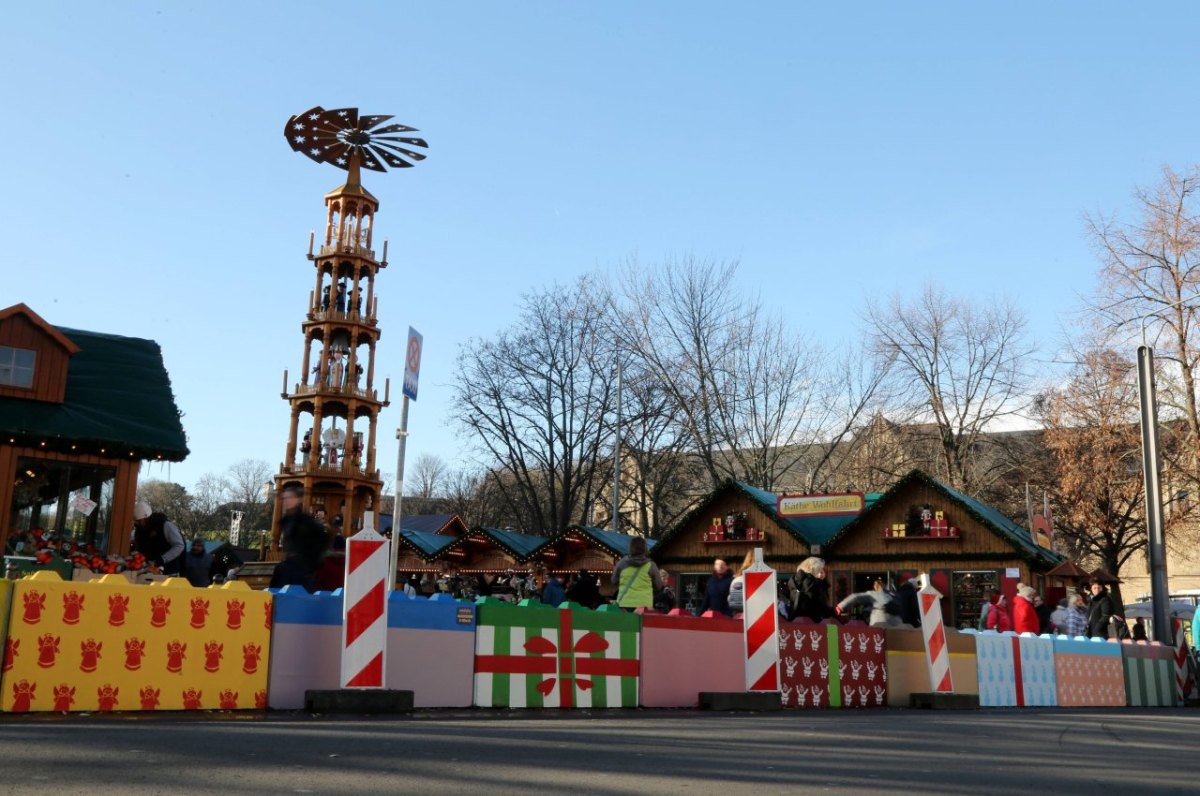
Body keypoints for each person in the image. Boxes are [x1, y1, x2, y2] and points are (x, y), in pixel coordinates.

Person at [270, 487, 329, 591]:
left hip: (302, 568)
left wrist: (311, 564)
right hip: (289, 565)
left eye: (290, 498)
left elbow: (322, 540)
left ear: (298, 500)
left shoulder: (305, 521)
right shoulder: (286, 521)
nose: (286, 501)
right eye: (285, 498)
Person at [131, 502, 186, 576]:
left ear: (146, 517)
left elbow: (179, 545)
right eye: (136, 521)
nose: (137, 523)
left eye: (139, 521)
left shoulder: (164, 525)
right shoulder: (139, 531)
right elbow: (139, 550)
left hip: (169, 573)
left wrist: (162, 559)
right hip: (148, 573)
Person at [611, 536, 663, 611]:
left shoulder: (621, 564)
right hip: (645, 605)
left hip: (624, 604)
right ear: (645, 548)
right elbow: (658, 586)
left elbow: (613, 581)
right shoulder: (651, 565)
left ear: (630, 547)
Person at [836, 579, 902, 628]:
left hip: (879, 625)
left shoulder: (873, 594)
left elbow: (855, 596)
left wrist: (840, 606)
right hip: (896, 626)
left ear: (876, 587)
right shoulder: (894, 595)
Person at [787, 557, 835, 622]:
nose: (822, 573)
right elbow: (816, 606)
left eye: (822, 570)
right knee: (834, 630)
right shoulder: (811, 584)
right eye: (819, 570)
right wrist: (833, 611)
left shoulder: (797, 582)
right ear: (812, 570)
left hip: (796, 622)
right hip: (812, 624)